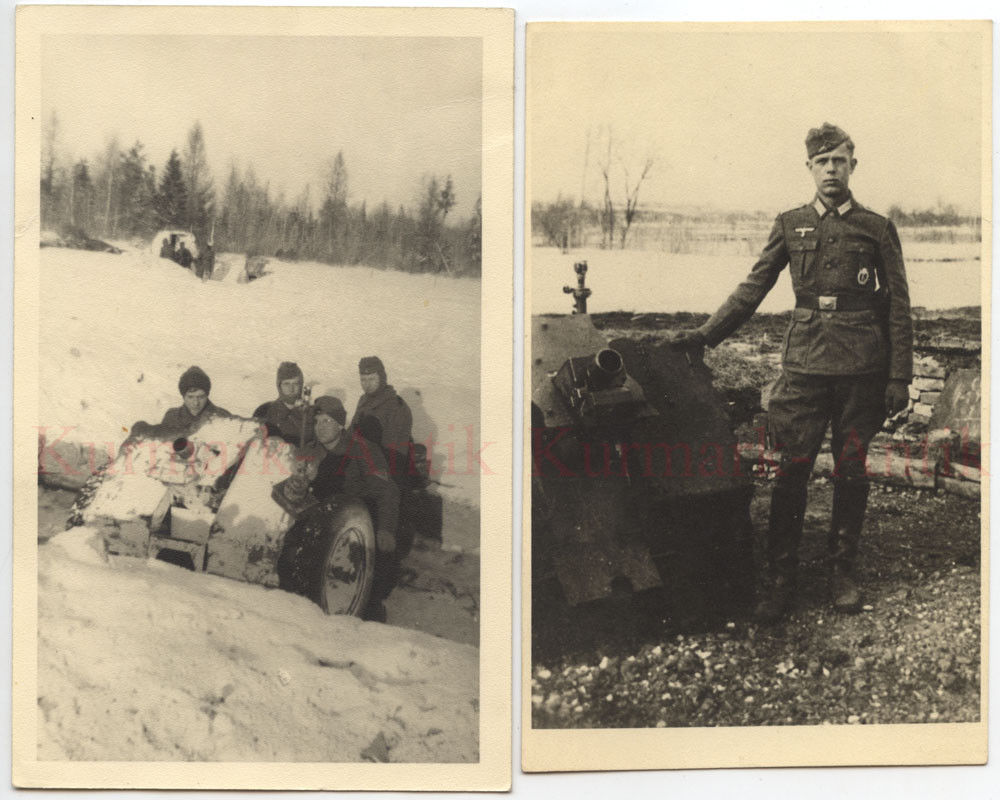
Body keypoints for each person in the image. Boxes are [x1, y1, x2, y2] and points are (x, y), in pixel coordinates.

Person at [667, 123, 912, 622]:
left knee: (850, 468)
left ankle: (842, 572)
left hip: (861, 370)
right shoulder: (790, 223)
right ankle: (781, 578)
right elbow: (753, 287)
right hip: (803, 369)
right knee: (792, 470)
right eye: (821, 163)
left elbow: (900, 307)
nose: (830, 170)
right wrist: (705, 336)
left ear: (852, 166)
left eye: (839, 161)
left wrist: (899, 377)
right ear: (809, 168)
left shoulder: (877, 228)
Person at [303, 395, 401, 622]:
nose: (321, 428)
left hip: (357, 526)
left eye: (327, 422)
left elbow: (388, 491)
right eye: (317, 422)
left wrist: (386, 529)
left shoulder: (363, 450)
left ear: (340, 424)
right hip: (321, 522)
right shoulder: (310, 450)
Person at [350, 356, 414, 482]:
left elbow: (393, 448)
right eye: (363, 380)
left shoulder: (395, 405)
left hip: (388, 466)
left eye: (372, 379)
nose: (367, 384)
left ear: (382, 377)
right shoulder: (364, 400)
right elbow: (352, 431)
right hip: (362, 459)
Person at [253, 361, 313, 447]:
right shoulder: (264, 411)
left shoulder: (309, 413)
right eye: (286, 384)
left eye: (295, 383)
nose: (291, 389)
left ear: (301, 385)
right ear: (279, 385)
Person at [159, 365, 231, 435]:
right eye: (190, 397)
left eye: (201, 397)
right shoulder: (172, 417)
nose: (196, 403)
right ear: (183, 396)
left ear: (207, 395)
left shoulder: (223, 417)